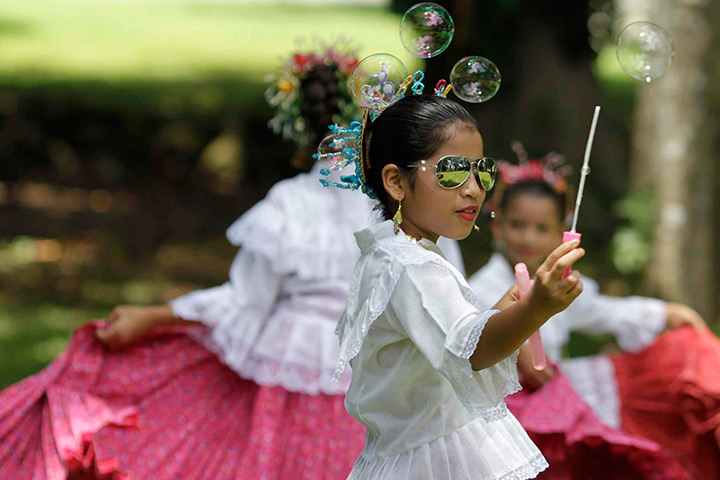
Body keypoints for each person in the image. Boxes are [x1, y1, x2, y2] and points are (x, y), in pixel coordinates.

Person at [0, 45, 465, 480]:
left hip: (294, 384)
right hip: (388, 385)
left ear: (301, 131)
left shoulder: (289, 202)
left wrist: (154, 317)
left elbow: (245, 303)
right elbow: (451, 297)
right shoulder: (417, 198)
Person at [329, 87, 588, 480]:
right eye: (451, 170)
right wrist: (537, 309)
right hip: (431, 464)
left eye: (481, 171)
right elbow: (470, 353)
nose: (473, 189)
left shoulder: (391, 254)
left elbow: (449, 340)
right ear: (396, 182)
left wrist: (505, 313)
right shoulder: (411, 266)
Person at [469, 142, 720, 479]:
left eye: (542, 229)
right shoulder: (481, 288)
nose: (527, 237)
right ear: (497, 226)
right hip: (500, 422)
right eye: (517, 225)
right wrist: (512, 349)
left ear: (561, 234)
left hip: (553, 401)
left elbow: (604, 312)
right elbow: (477, 346)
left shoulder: (558, 281)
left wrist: (663, 314)